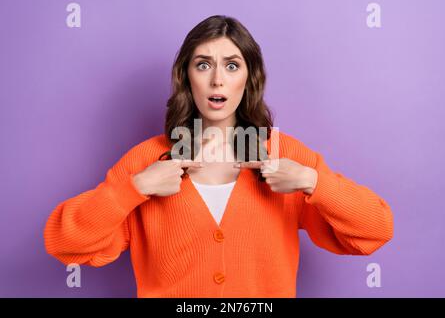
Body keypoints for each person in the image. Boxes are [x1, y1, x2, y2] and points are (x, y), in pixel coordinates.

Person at [44, 15, 394, 298]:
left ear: (249, 77)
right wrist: (134, 188)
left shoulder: (285, 155)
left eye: (231, 65)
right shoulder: (148, 159)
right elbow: (63, 242)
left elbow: (376, 229)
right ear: (186, 76)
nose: (216, 81)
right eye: (203, 65)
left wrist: (313, 182)